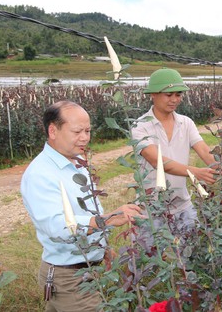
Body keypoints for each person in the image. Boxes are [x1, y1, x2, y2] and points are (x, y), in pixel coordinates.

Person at [21, 100, 145, 311]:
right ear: (53, 130)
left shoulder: (77, 163)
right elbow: (57, 226)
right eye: (77, 131)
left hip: (88, 269)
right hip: (69, 278)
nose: (85, 137)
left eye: (88, 130)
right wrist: (106, 220)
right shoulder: (40, 174)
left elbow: (84, 212)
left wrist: (103, 249)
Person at [131, 67, 219, 230]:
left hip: (182, 205)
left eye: (178, 94)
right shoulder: (140, 126)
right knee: (151, 253)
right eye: (168, 94)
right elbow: (157, 161)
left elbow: (205, 151)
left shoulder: (186, 123)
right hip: (150, 208)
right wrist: (194, 172)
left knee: (193, 251)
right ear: (153, 94)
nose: (174, 99)